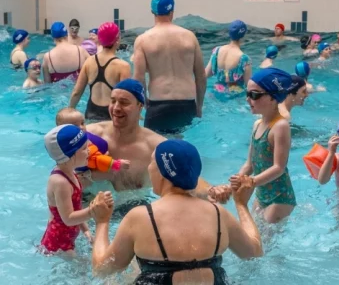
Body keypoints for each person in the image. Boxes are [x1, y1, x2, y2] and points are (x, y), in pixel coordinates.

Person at [91, 139, 263, 283]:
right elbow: (254, 253)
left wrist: (102, 221)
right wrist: (241, 204)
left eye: (152, 162)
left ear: (162, 171)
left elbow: (102, 270)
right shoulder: (218, 214)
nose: (148, 168)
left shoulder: (140, 217)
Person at [85, 79, 231, 204]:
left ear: (140, 106)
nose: (116, 108)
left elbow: (186, 176)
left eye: (124, 103)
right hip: (90, 208)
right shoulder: (89, 134)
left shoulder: (156, 146)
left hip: (133, 210)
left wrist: (210, 191)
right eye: (113, 101)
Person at [133, 0, 206, 134]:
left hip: (158, 104)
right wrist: (199, 107)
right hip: (187, 103)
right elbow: (201, 76)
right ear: (172, 11)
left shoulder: (143, 40)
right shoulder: (190, 37)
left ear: (152, 11)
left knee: (154, 150)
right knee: (181, 148)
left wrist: (143, 103)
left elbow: (139, 78)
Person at [39, 124, 114, 254]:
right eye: (85, 148)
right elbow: (68, 218)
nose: (90, 151)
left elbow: (76, 208)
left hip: (68, 238)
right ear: (69, 155)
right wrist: (93, 210)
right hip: (58, 243)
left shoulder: (71, 173)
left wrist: (86, 231)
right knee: (85, 271)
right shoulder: (60, 182)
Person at [238, 68, 296, 223]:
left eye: (254, 95)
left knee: (265, 244)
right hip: (261, 193)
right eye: (247, 93)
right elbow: (250, 164)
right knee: (253, 235)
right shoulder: (257, 124)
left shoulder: (280, 126)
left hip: (280, 197)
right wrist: (236, 181)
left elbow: (279, 167)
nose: (248, 99)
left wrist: (252, 182)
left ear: (273, 98)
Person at [55, 107, 131, 189]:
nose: (81, 127)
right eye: (74, 126)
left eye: (82, 123)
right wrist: (116, 164)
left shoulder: (59, 143)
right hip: (84, 174)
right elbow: (97, 159)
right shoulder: (82, 144)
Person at [70, 22, 131, 121]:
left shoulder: (89, 62)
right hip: (111, 115)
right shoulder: (123, 66)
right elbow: (126, 97)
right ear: (117, 40)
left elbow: (76, 92)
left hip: (91, 112)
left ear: (99, 39)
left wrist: (70, 110)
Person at [205, 20, 252, 97]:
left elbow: (205, 74)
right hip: (235, 97)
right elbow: (249, 87)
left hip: (216, 93)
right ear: (243, 35)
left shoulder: (216, 51)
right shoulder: (244, 59)